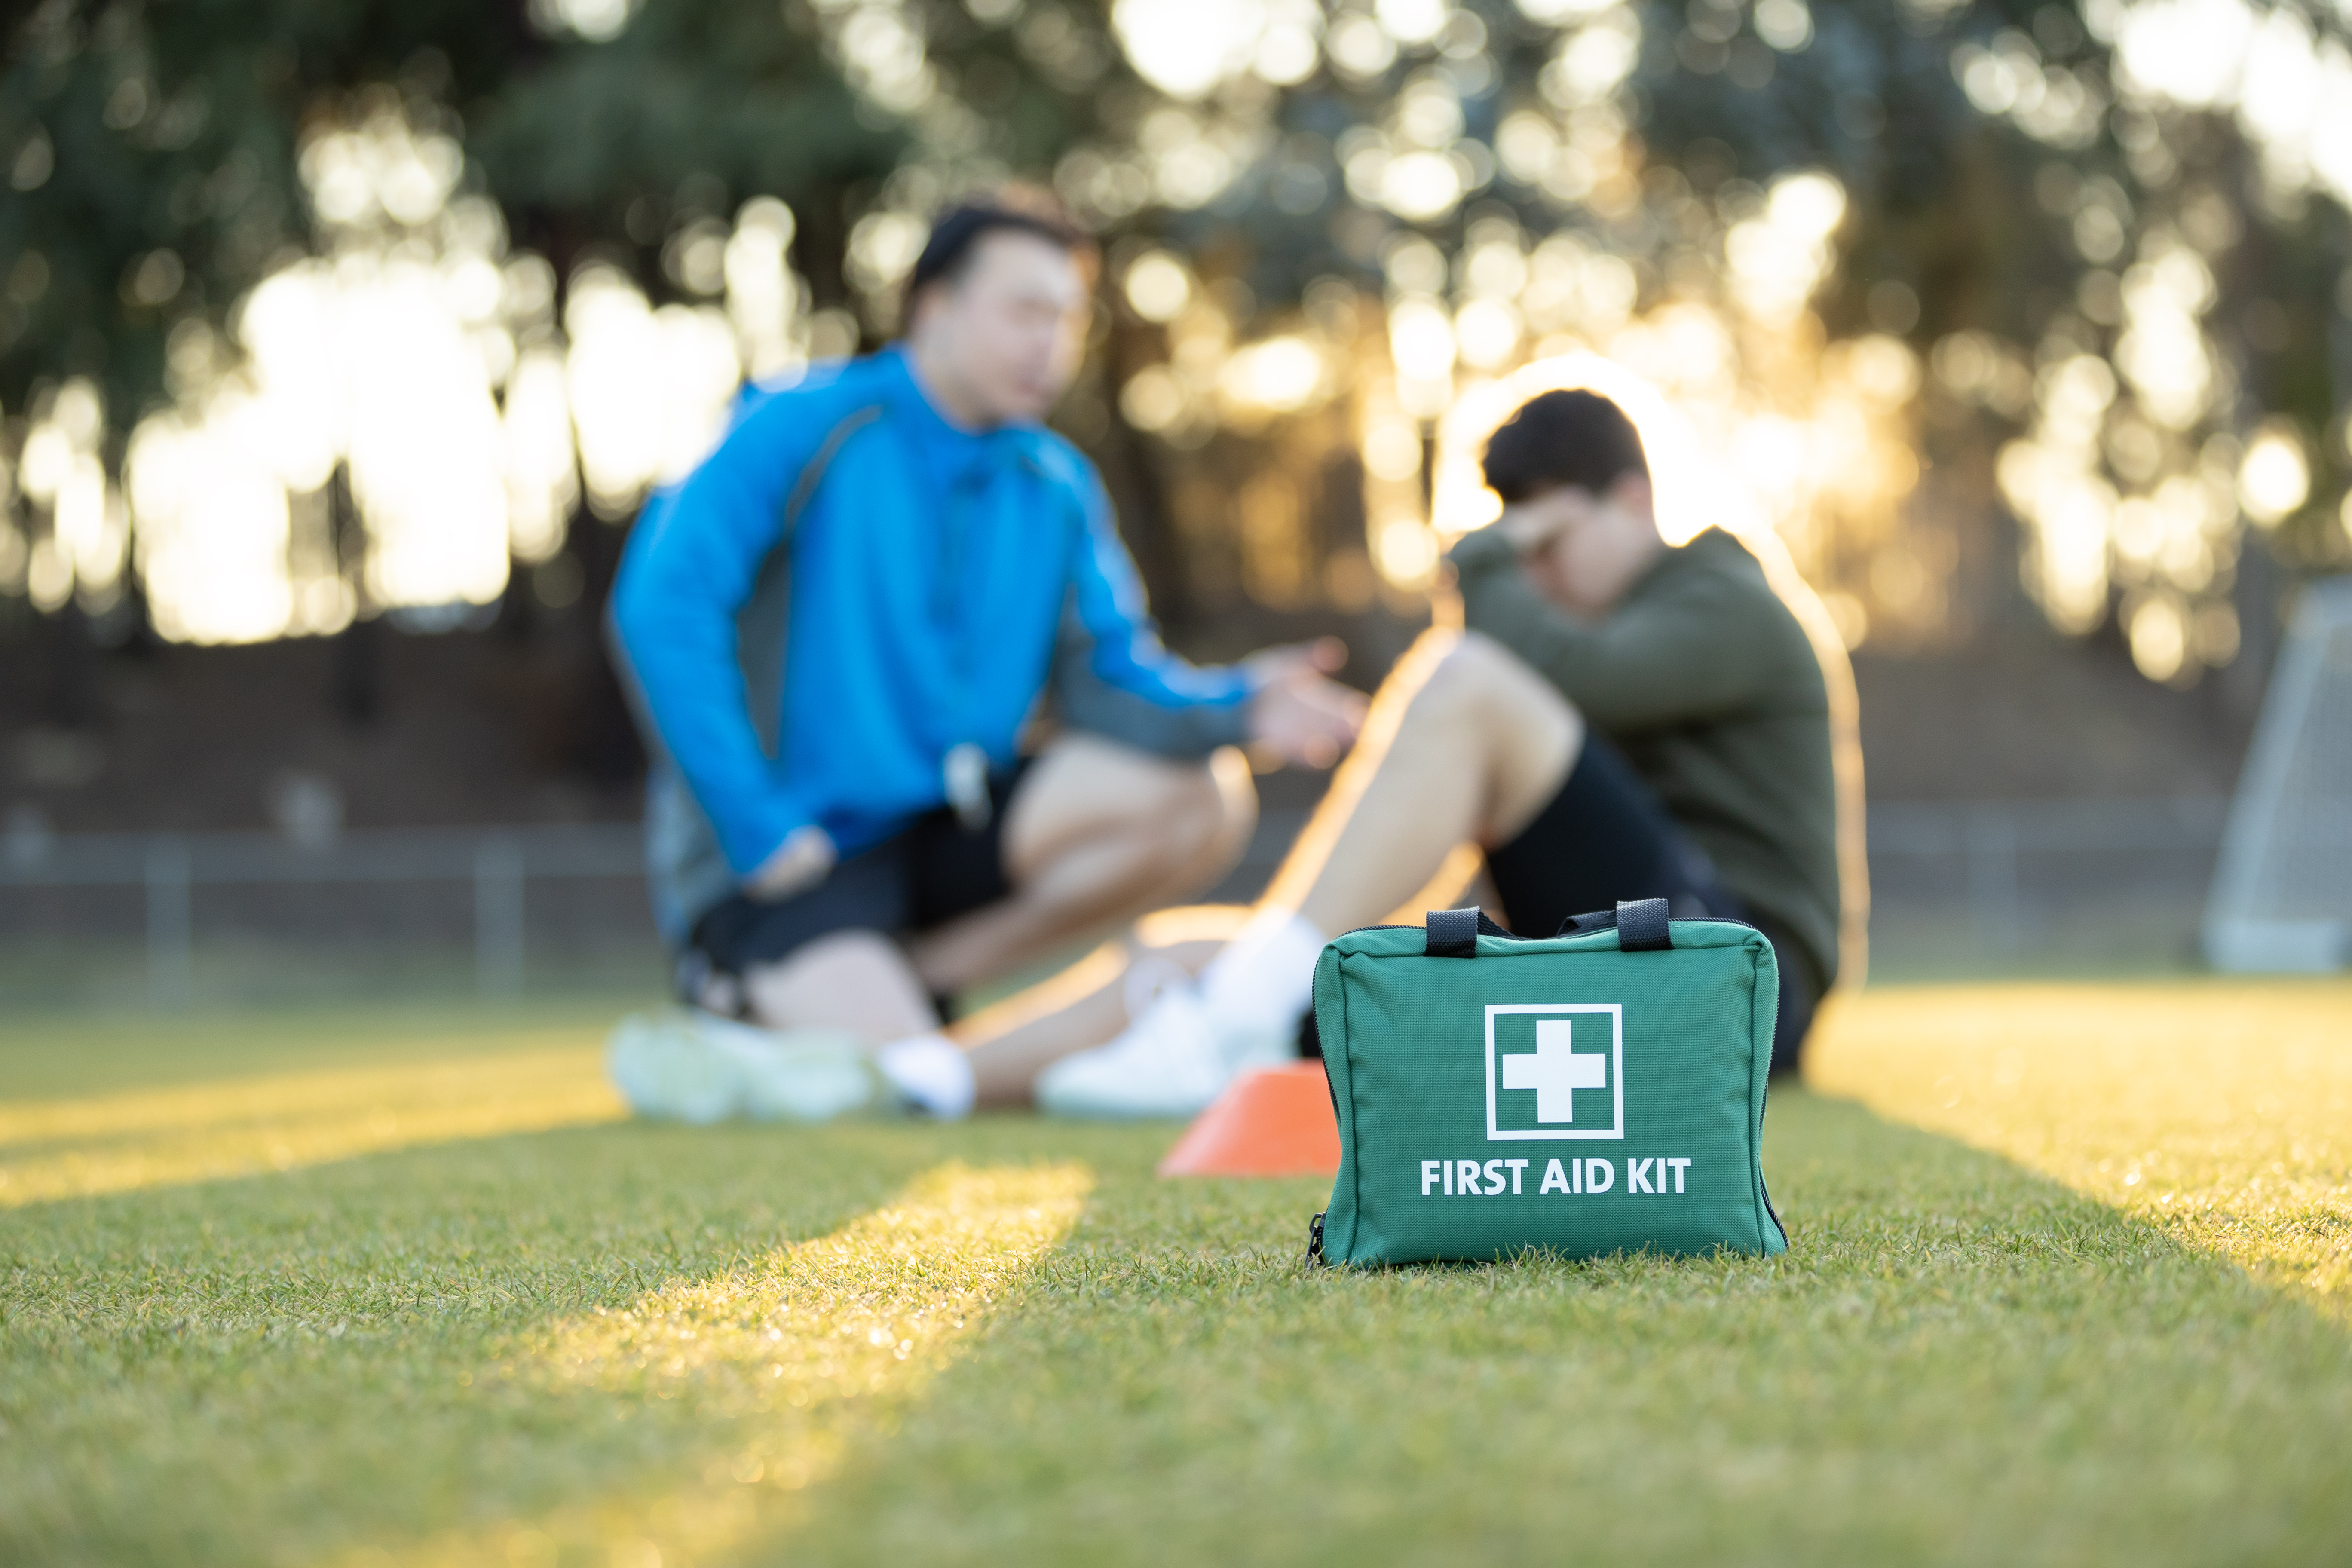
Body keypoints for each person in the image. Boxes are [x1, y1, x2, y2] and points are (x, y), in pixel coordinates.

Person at [604, 195, 1364, 1122]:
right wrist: (753, 825)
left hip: (941, 833)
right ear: (934, 308)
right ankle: (739, 990)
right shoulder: (804, 424)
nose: (1051, 343)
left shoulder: (1053, 483)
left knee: (1202, 795)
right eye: (1025, 312)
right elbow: (662, 609)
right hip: (786, 855)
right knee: (894, 1088)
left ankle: (901, 991)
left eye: (1069, 319)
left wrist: (1242, 708)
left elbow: (1108, 679)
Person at [1031, 386, 1841, 1116]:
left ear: (1634, 501)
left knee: (1471, 682)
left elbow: (1533, 683)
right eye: (1519, 558)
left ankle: (1242, 1019)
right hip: (1621, 955)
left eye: (1548, 543)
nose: (1534, 578)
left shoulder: (1729, 602)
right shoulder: (1586, 636)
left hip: (1747, 982)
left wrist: (1481, 553)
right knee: (1218, 953)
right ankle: (949, 1076)